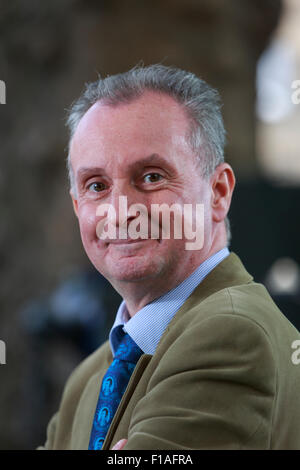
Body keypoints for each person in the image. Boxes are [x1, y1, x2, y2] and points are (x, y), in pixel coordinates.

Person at [39, 64, 300, 450]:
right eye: (96, 185)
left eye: (151, 177)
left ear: (218, 192)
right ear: (78, 207)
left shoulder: (232, 333)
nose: (120, 210)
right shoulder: (89, 378)